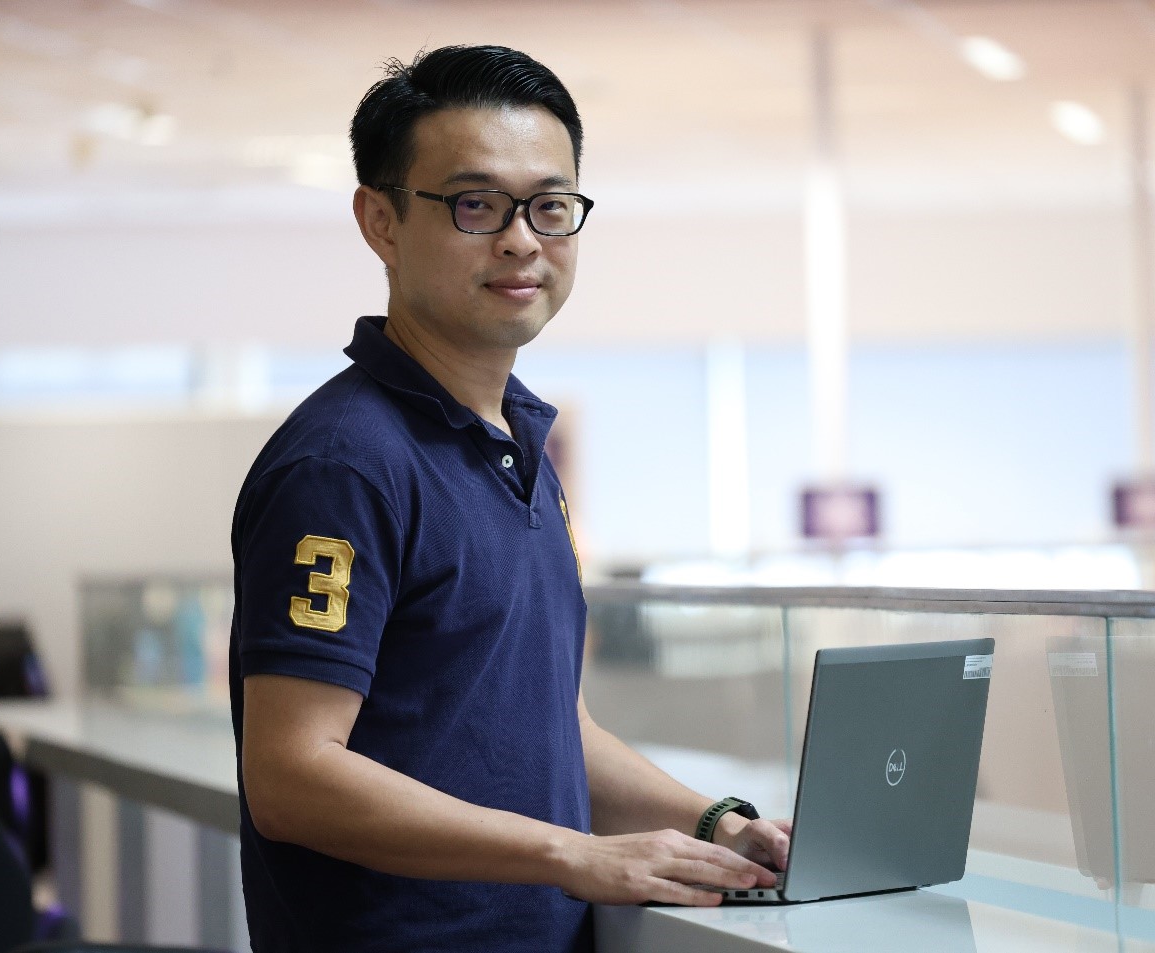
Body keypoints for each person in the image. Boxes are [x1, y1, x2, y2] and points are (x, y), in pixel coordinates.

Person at [228, 45, 791, 953]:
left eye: (550, 205)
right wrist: (573, 853)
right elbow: (291, 776)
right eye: (476, 204)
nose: (522, 239)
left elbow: (551, 727)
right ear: (381, 221)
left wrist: (716, 822)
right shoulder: (345, 465)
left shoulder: (519, 444)